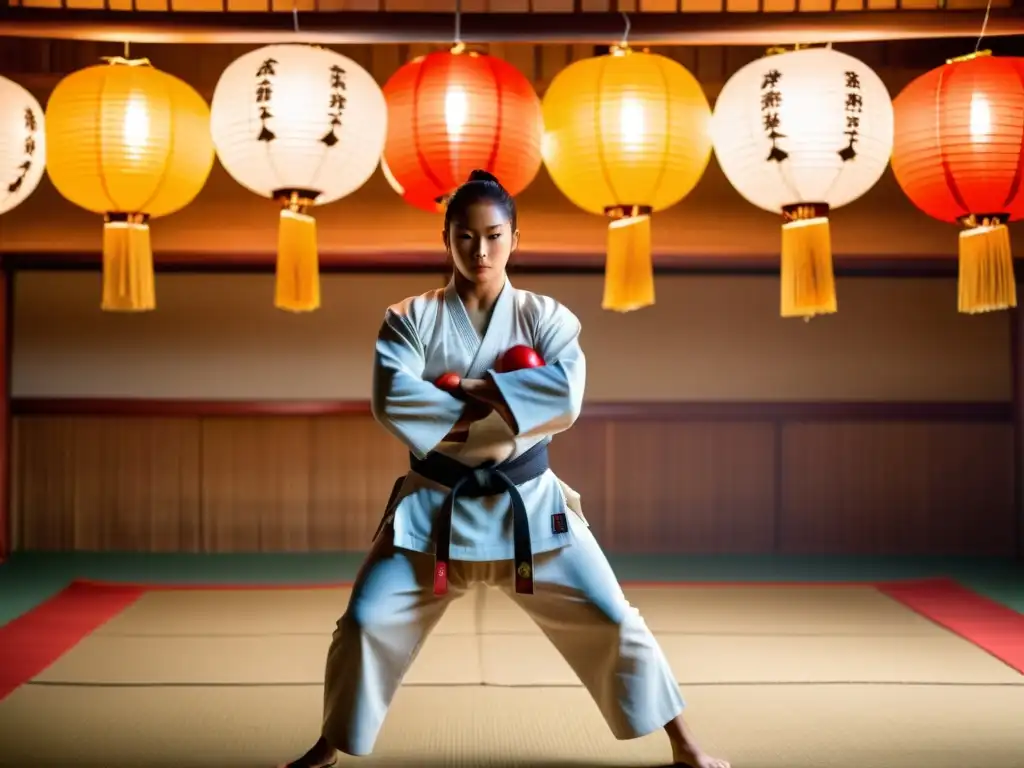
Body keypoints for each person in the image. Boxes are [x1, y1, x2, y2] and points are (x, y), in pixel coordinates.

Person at [279, 170, 730, 768]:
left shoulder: (549, 318)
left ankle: (686, 746)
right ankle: (327, 746)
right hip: (432, 510)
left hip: (531, 508)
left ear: (516, 237)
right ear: (447, 238)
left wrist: (462, 391)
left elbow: (564, 400)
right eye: (466, 236)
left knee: (614, 620)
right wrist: (510, 402)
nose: (481, 250)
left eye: (494, 235)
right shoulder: (408, 319)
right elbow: (393, 403)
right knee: (363, 623)